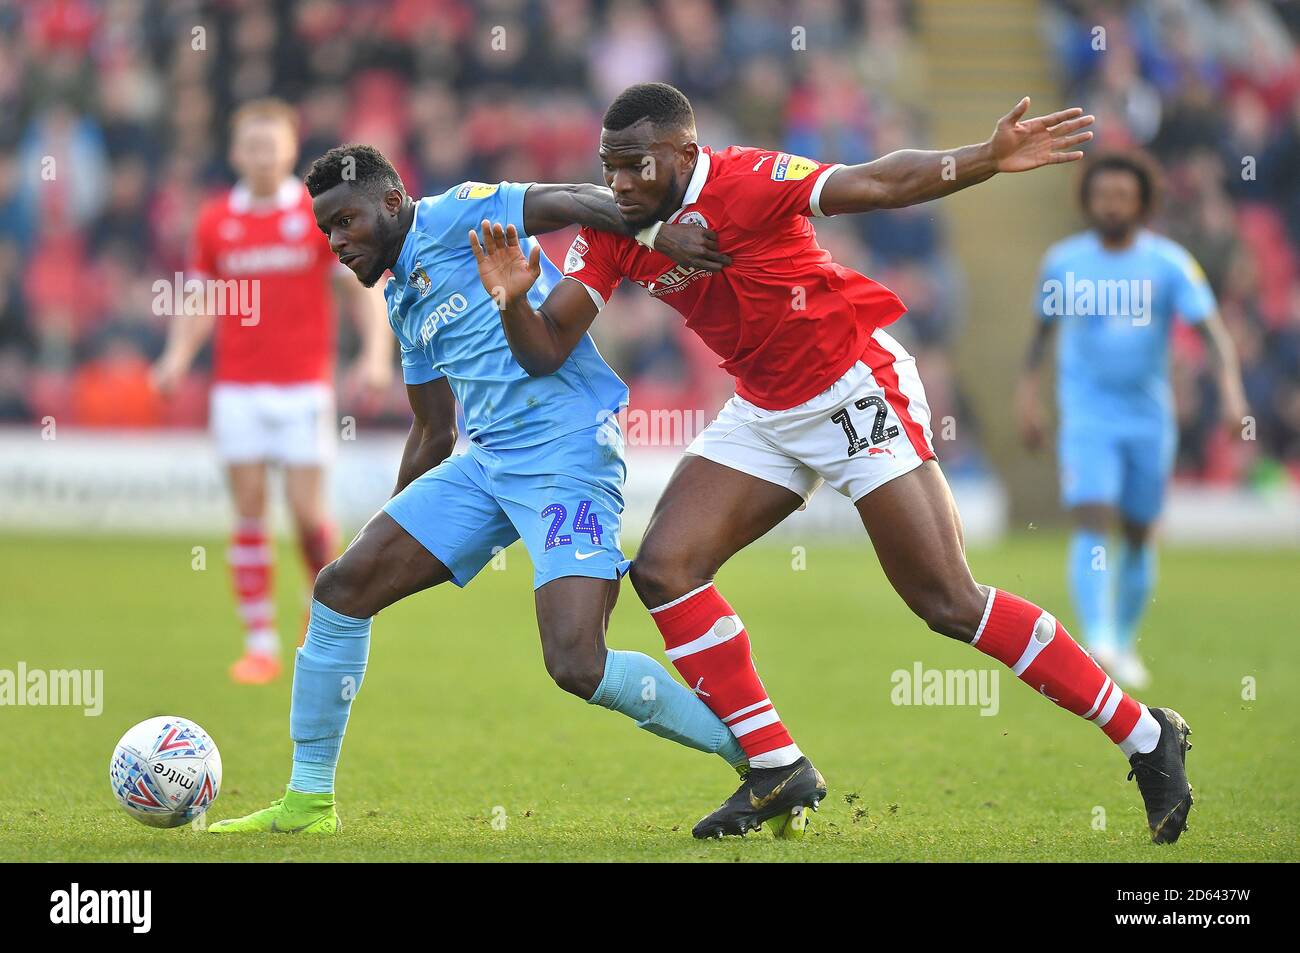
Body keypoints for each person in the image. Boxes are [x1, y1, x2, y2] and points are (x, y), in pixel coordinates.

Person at [470, 82, 1194, 844]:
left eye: (635, 167)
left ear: (686, 154)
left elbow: (877, 180)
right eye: (608, 167)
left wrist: (984, 157)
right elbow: (547, 348)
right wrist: (512, 300)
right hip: (764, 407)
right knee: (664, 568)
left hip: (851, 385)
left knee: (946, 601)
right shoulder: (617, 225)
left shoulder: (748, 179)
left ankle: (1146, 734)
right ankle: (776, 764)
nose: (618, 184)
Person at [208, 144, 763, 836]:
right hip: (491, 463)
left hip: (568, 451)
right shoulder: (404, 300)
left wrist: (653, 231)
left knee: (576, 662)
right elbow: (433, 430)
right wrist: (396, 530)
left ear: (390, 202)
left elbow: (569, 196)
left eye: (345, 221)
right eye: (326, 231)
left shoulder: (458, 212)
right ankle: (308, 800)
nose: (337, 241)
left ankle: (756, 755)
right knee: (343, 588)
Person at [152, 99, 394, 685]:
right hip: (236, 387)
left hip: (302, 387)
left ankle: (324, 612)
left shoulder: (316, 215)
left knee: (310, 518)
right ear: (236, 153)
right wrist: (175, 358)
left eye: (273, 145)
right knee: (250, 511)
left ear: (291, 150)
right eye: (251, 146)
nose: (262, 156)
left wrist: (375, 353)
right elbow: (202, 298)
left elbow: (358, 286)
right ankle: (259, 642)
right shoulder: (216, 220)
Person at [1017, 152, 1248, 688]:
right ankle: (1097, 639)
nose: (1112, 205)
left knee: (1140, 532)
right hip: (1086, 415)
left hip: (1148, 416)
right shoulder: (1063, 262)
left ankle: (1122, 640)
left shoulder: (1169, 264)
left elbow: (1213, 334)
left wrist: (1233, 394)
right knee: (1093, 514)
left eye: (1123, 196)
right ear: (1087, 201)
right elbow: (1039, 337)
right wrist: (1027, 400)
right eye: (1103, 196)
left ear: (1142, 202)